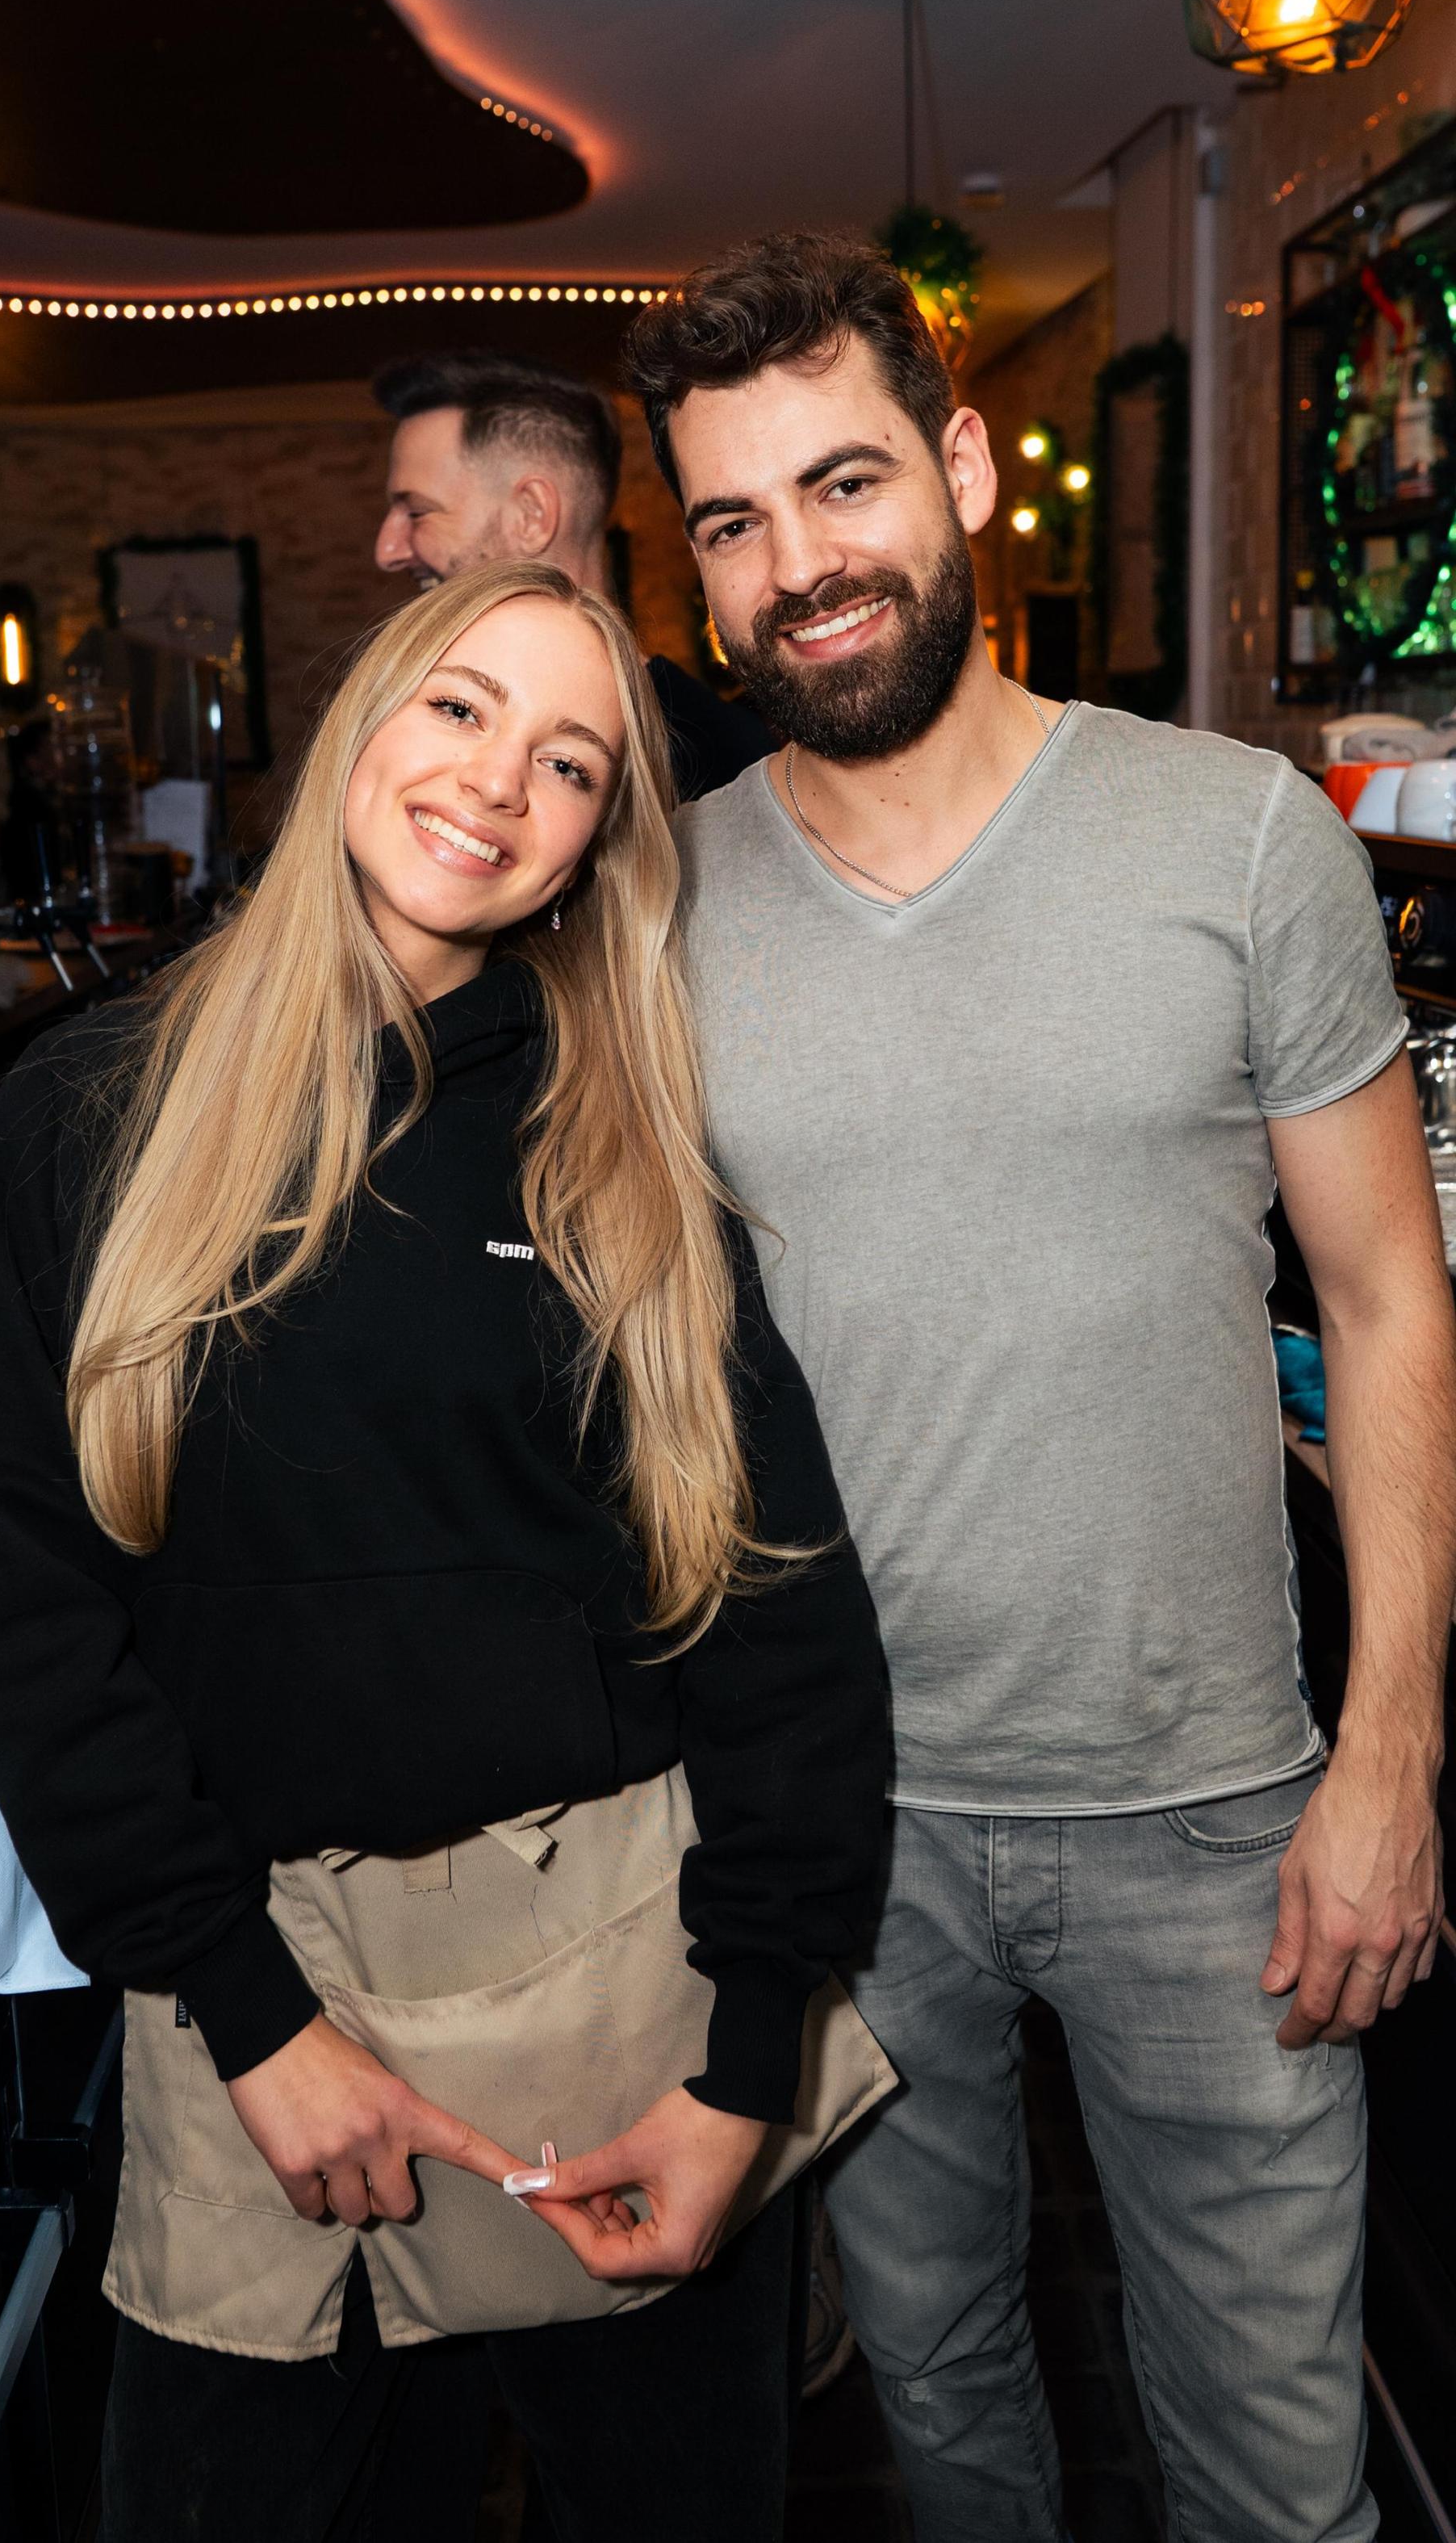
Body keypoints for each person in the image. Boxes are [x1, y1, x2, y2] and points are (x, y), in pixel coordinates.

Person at [625, 232, 1456, 2543]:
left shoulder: (1237, 838)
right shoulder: (658, 912)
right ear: (690, 567)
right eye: (733, 520)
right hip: (844, 1826)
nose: (802, 566)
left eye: (845, 483)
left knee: (1279, 2466)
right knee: (945, 2416)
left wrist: (1392, 1753)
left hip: (1218, 1812)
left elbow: (1391, 1298)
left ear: (968, 469)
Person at [0, 559, 892, 2543]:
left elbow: (777, 1609)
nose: (498, 782)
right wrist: (255, 2025)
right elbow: (44, 1628)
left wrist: (743, 2072)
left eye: (570, 762)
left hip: (620, 2000)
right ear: (365, 714)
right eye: (460, 707)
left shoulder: (611, 1146)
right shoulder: (86, 1116)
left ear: (588, 853)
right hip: (248, 2013)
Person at [373, 348, 771, 798]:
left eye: (418, 512)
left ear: (531, 515)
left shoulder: (728, 770)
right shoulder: (407, 721)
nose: (387, 550)